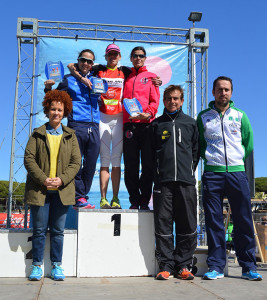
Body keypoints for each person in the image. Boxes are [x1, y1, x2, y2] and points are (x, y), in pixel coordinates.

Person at [67, 44, 161, 209]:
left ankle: (116, 198)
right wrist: (81, 78)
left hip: (119, 120)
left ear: (120, 57)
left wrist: (156, 81)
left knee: (116, 162)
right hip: (102, 118)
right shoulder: (98, 69)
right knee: (104, 161)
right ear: (106, 56)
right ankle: (103, 199)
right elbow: (72, 66)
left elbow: (148, 87)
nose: (113, 57)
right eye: (110, 54)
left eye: (115, 54)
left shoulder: (126, 71)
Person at [197, 76, 262, 281]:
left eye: (226, 89)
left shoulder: (240, 116)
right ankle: (216, 266)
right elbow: (199, 145)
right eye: (219, 89)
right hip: (212, 173)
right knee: (214, 221)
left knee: (243, 219)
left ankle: (248, 266)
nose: (223, 93)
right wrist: (210, 161)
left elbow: (248, 143)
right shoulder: (204, 117)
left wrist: (236, 162)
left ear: (231, 93)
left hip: (236, 172)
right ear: (213, 92)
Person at [24, 90, 81, 281]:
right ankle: (37, 266)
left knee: (58, 231)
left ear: (65, 112)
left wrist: (62, 179)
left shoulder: (71, 135)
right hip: (40, 191)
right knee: (39, 231)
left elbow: (76, 162)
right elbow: (29, 159)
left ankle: (57, 266)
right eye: (52, 109)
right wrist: (43, 179)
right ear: (47, 110)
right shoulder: (37, 134)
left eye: (60, 109)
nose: (56, 113)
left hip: (62, 192)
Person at [150, 85, 199, 280]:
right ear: (164, 101)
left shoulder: (191, 124)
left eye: (176, 98)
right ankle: (166, 265)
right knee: (163, 225)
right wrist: (158, 175)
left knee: (187, 224)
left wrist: (187, 170)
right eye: (169, 98)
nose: (173, 101)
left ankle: (184, 265)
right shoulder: (156, 124)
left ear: (182, 101)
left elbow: (195, 152)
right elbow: (149, 156)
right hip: (163, 182)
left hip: (186, 182)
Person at [44, 49, 100, 209]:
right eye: (83, 60)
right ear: (78, 61)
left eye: (90, 61)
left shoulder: (97, 80)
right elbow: (55, 98)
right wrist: (48, 89)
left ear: (92, 64)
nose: (86, 63)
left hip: (95, 126)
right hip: (77, 125)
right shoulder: (69, 80)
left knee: (91, 165)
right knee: (75, 163)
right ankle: (79, 197)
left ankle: (82, 196)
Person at [123, 46, 160, 210]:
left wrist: (149, 113)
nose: (138, 58)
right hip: (129, 124)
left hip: (146, 125)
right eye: (135, 56)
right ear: (131, 58)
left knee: (148, 165)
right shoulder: (126, 76)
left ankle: (144, 200)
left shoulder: (151, 77)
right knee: (130, 166)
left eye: (141, 56)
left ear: (145, 58)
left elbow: (155, 100)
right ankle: (134, 200)